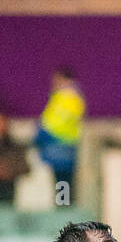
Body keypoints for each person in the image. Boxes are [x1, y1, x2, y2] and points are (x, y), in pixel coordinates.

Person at [35, 68, 84, 204]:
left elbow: (58, 122)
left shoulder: (68, 98)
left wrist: (43, 132)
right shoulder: (63, 97)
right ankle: (63, 211)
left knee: (63, 186)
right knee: (61, 185)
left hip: (63, 148)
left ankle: (65, 217)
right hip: (60, 149)